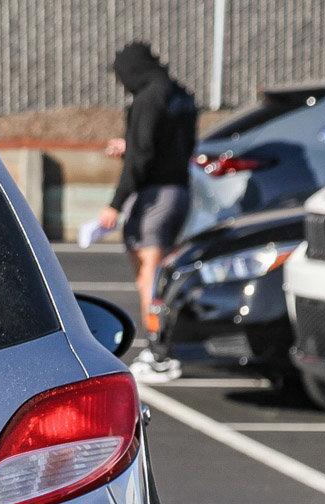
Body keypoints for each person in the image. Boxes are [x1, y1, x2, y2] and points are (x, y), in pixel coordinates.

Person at [98, 41, 198, 382]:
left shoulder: (147, 98)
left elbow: (141, 158)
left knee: (148, 277)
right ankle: (162, 348)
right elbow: (166, 145)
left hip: (155, 196)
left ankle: (159, 354)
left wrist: (115, 204)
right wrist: (131, 148)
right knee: (160, 275)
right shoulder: (180, 95)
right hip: (180, 191)